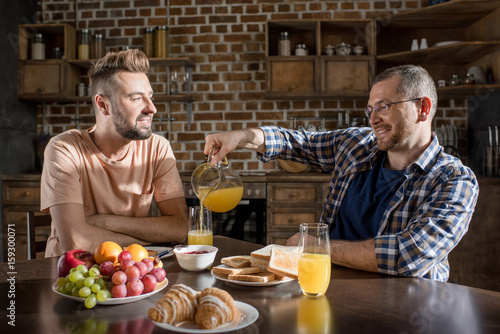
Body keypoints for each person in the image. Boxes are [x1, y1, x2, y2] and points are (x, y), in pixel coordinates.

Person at [204, 65, 479, 281]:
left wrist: (317, 247)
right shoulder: (356, 145)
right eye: (370, 109)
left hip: (407, 307)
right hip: (325, 285)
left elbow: (407, 256)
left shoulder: (453, 180)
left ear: (423, 108)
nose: (372, 118)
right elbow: (296, 142)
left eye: (383, 106)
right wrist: (242, 137)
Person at [41, 49, 188, 257]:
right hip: (72, 278)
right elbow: (76, 241)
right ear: (103, 105)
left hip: (130, 276)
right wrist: (146, 243)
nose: (152, 108)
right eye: (136, 98)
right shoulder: (64, 149)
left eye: (150, 96)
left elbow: (180, 228)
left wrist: (102, 222)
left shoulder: (158, 148)